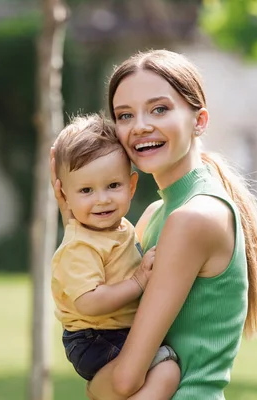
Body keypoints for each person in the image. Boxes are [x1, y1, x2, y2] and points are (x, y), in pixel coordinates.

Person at [50, 50, 257, 400]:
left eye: (159, 109)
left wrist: (94, 386)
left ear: (199, 121)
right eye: (125, 115)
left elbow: (124, 381)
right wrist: (75, 224)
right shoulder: (156, 214)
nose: (140, 126)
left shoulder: (192, 219)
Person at [51, 113, 179, 399]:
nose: (102, 199)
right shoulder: (79, 247)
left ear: (131, 186)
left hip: (112, 330)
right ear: (65, 195)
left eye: (113, 186)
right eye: (86, 190)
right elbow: (88, 301)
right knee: (166, 368)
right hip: (94, 337)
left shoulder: (117, 227)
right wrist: (138, 281)